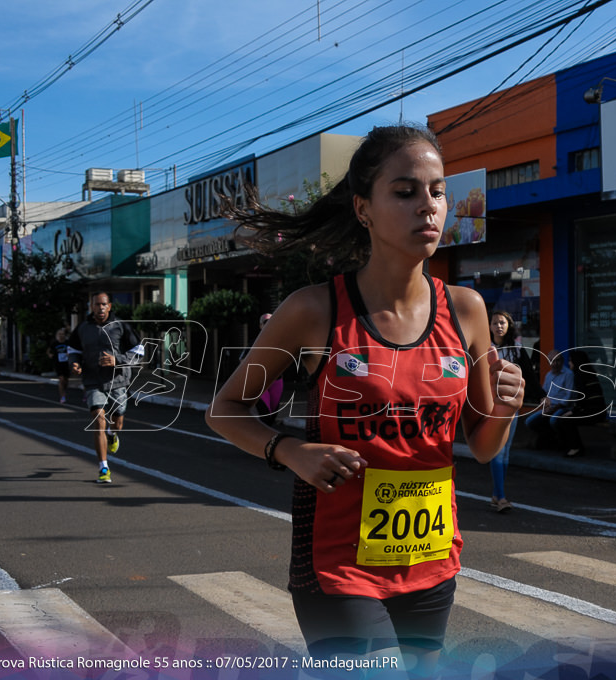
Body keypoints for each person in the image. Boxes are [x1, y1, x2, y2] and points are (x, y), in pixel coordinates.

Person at [205, 124, 524, 676]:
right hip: (336, 563)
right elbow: (225, 408)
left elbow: (484, 448)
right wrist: (289, 450)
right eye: (405, 192)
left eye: (438, 190)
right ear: (364, 209)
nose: (428, 206)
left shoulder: (467, 310)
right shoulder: (314, 310)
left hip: (430, 560)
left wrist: (503, 409)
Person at [68, 292, 143, 484]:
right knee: (98, 419)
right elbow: (73, 350)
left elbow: (139, 351)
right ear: (91, 306)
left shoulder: (121, 326)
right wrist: (75, 363)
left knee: (117, 421)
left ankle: (113, 434)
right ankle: (103, 467)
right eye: (96, 305)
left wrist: (117, 360)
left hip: (118, 381)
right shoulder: (83, 328)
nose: (100, 308)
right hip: (93, 381)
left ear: (109, 306)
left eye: (103, 304)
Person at [488, 309, 526, 513]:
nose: (499, 326)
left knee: (505, 452)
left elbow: (527, 373)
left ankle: (496, 495)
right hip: (492, 406)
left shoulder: (517, 349)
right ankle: (501, 497)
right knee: (497, 450)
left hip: (512, 406)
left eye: (502, 322)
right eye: (495, 323)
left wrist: (541, 396)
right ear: (489, 326)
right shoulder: (485, 348)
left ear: (508, 325)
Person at [553, 350, 608, 457]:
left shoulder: (580, 375)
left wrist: (572, 412)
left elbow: (582, 399)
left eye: (570, 361)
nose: (569, 364)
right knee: (564, 419)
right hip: (598, 411)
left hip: (594, 412)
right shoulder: (589, 373)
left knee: (565, 420)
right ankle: (572, 446)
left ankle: (575, 448)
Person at [525, 351, 574, 449]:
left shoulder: (568, 374)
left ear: (562, 361)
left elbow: (569, 397)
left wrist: (554, 408)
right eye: (552, 361)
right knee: (529, 422)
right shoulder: (548, 375)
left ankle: (561, 443)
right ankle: (549, 439)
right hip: (550, 406)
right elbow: (544, 393)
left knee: (553, 420)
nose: (555, 364)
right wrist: (545, 406)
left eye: (558, 361)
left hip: (563, 407)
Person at [253, 313, 285, 426]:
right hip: (261, 383)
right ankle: (259, 441)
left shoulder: (281, 341)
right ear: (260, 325)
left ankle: (268, 441)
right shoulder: (255, 342)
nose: (268, 325)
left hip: (276, 381)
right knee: (265, 415)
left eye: (270, 322)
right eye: (265, 323)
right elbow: (243, 360)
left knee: (273, 416)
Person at [47, 327, 71, 403]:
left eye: (63, 334)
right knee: (61, 379)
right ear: (57, 335)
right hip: (58, 363)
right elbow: (48, 351)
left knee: (66, 380)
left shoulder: (67, 343)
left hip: (66, 363)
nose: (61, 335)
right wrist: (50, 355)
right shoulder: (55, 343)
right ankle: (62, 396)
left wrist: (69, 354)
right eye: (60, 334)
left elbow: (72, 350)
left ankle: (64, 389)